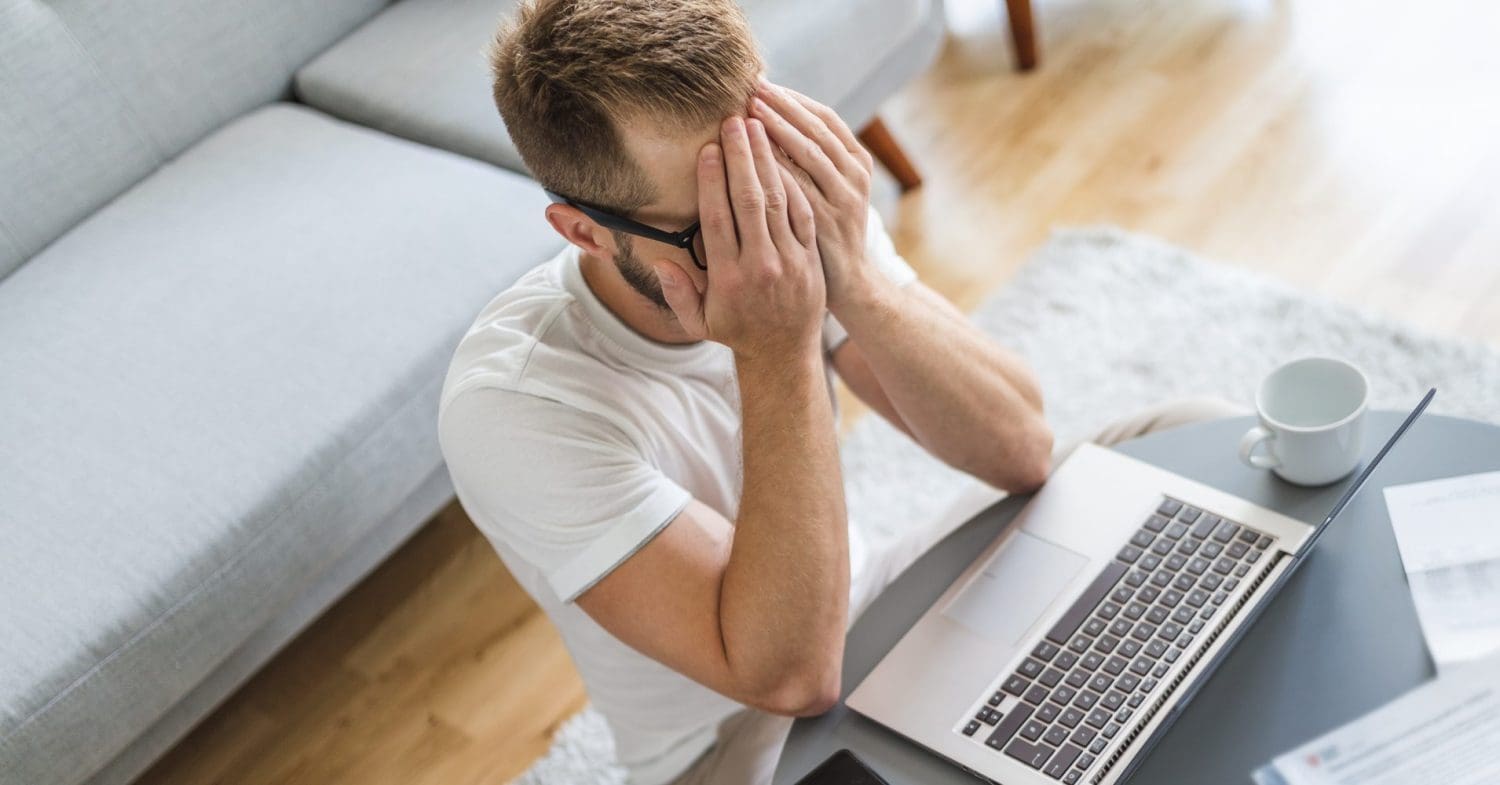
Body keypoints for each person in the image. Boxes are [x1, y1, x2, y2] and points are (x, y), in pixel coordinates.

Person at [437, 1, 1241, 783]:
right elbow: (792, 678)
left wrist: (854, 275)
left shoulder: (780, 200)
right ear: (584, 231)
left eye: (769, 173)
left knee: (1197, 440)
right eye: (717, 227)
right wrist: (777, 345)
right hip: (735, 735)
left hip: (860, 603)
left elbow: (1020, 449)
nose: (768, 235)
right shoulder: (513, 404)